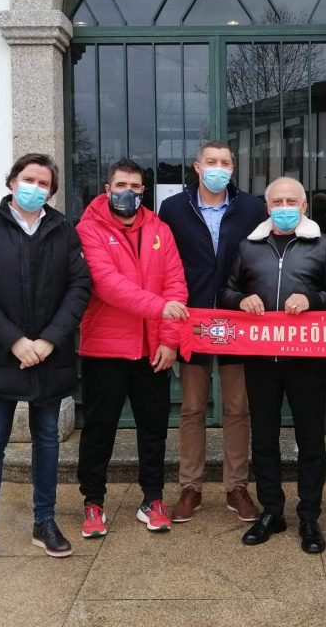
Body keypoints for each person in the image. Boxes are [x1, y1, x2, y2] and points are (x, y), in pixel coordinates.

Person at [0, 153, 91, 574]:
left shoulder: (64, 230)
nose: (35, 187)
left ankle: (44, 521)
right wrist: (15, 340)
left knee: (47, 439)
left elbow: (80, 286)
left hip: (51, 355)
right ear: (12, 181)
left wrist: (50, 339)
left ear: (51, 190)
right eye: (27, 178)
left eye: (43, 182)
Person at [220, 177, 326, 553]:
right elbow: (227, 291)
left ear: (304, 206)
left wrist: (312, 299)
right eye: (277, 201)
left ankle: (309, 516)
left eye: (292, 200)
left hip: (307, 361)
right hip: (261, 360)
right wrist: (241, 300)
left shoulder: (324, 245)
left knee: (310, 439)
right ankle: (272, 511)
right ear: (267, 207)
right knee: (264, 438)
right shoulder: (249, 246)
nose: (284, 206)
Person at [75, 158, 189, 537]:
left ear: (145, 192)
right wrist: (159, 307)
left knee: (154, 429)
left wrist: (171, 340)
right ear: (107, 189)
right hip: (105, 350)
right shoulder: (88, 229)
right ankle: (93, 501)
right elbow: (106, 284)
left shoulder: (160, 229)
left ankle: (152, 499)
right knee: (99, 430)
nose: (128, 192)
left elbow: (176, 283)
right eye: (121, 185)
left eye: (136, 187)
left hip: (153, 350)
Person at [158, 141, 267, 523]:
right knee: (191, 408)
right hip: (192, 319)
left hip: (238, 320)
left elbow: (263, 257)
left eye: (225, 162)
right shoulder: (173, 208)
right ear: (196, 167)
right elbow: (163, 262)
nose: (218, 168)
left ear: (233, 168)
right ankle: (190, 487)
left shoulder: (253, 208)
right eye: (211, 162)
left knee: (238, 407)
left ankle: (237, 487)